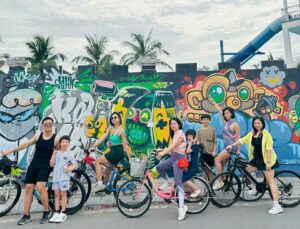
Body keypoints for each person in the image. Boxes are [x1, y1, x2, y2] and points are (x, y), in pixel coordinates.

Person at [1, 117, 59, 225]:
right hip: (35, 163)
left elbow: (62, 151)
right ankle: (26, 215)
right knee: (28, 188)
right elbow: (25, 144)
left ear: (52, 125)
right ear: (42, 126)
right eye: (45, 124)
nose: (47, 125)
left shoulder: (56, 138)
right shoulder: (38, 136)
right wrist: (10, 150)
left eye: (49, 124)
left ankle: (46, 211)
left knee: (41, 187)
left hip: (46, 165)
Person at [226, 116, 283, 214]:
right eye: (255, 123)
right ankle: (255, 187)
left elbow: (269, 149)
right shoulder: (252, 133)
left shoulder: (266, 135)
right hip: (256, 159)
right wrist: (232, 145)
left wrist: (268, 163)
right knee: (246, 170)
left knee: (271, 182)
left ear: (262, 124)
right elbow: (242, 140)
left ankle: (277, 206)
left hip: (266, 160)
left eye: (259, 123)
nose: (257, 125)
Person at [89, 112, 131, 194]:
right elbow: (102, 138)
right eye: (112, 118)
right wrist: (93, 146)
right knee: (107, 171)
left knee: (97, 161)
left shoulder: (121, 131)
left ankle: (100, 184)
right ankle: (107, 187)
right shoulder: (110, 129)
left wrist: (130, 158)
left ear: (119, 119)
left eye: (115, 117)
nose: (113, 119)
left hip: (118, 152)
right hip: (113, 151)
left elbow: (125, 145)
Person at [156, 117, 188, 221]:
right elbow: (172, 148)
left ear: (179, 124)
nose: (172, 125)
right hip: (173, 158)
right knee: (159, 167)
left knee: (179, 184)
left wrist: (163, 153)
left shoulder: (180, 135)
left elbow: (173, 146)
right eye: (171, 124)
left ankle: (182, 208)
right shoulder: (175, 134)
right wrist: (160, 150)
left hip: (179, 160)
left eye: (174, 123)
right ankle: (168, 183)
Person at [212, 101, 240, 190]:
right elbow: (220, 112)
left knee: (217, 159)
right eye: (225, 114)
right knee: (221, 164)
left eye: (227, 113)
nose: (225, 115)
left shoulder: (235, 124)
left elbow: (239, 139)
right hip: (226, 147)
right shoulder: (226, 123)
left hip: (232, 147)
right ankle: (223, 180)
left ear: (231, 113)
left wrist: (238, 150)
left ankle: (219, 181)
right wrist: (215, 104)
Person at [49, 136, 77, 223]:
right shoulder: (56, 153)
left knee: (63, 194)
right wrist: (53, 154)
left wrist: (70, 168)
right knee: (56, 195)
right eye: (63, 142)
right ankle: (57, 212)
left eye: (66, 142)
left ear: (68, 143)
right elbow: (51, 164)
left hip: (64, 178)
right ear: (60, 143)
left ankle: (63, 212)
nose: (64, 143)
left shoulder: (69, 154)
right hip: (56, 177)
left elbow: (75, 164)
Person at [197, 114, 217, 181]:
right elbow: (198, 141)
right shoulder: (199, 130)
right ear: (202, 120)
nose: (205, 121)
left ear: (209, 120)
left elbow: (215, 141)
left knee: (210, 169)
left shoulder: (212, 129)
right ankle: (205, 184)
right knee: (204, 170)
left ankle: (211, 183)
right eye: (204, 119)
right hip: (203, 153)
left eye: (207, 119)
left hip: (210, 153)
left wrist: (214, 151)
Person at [182, 129, 201, 198]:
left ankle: (197, 190)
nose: (189, 137)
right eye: (188, 136)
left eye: (191, 135)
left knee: (184, 179)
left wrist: (191, 142)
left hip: (194, 167)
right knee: (182, 176)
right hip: (189, 166)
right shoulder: (188, 145)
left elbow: (188, 151)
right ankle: (188, 190)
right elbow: (185, 153)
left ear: (194, 136)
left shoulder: (195, 145)